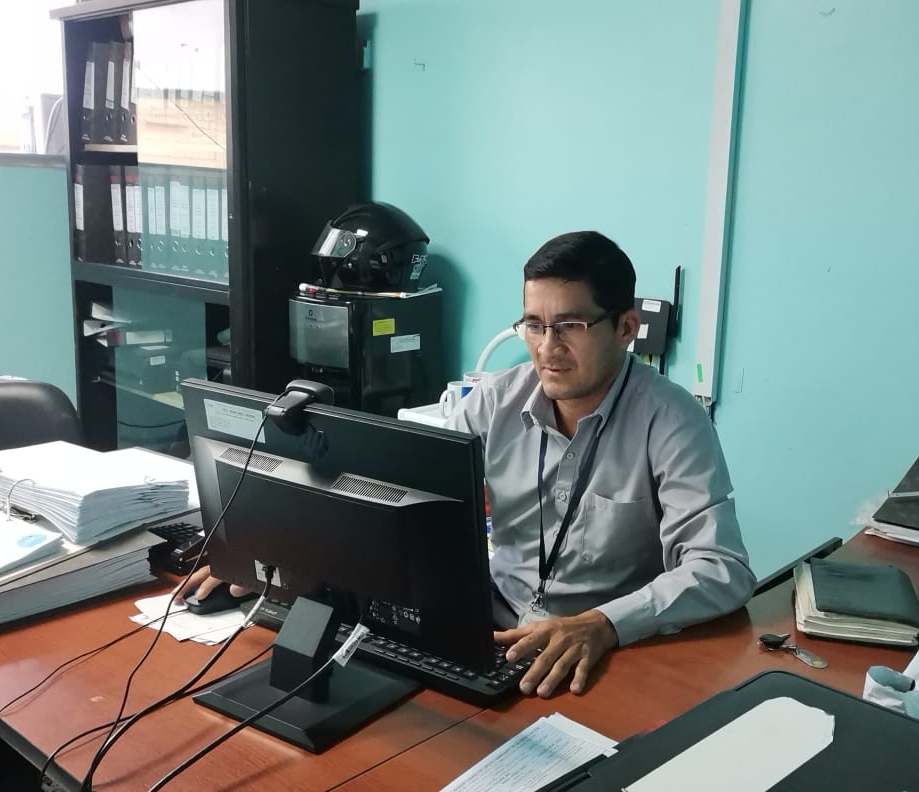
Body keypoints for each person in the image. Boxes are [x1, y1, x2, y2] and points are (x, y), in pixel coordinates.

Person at [181, 230, 755, 697]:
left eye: (570, 326)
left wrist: (604, 624)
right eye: (533, 325)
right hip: (489, 633)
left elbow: (721, 568)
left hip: (595, 653)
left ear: (626, 328)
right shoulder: (496, 400)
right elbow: (388, 493)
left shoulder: (672, 421)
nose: (547, 347)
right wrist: (271, 557)